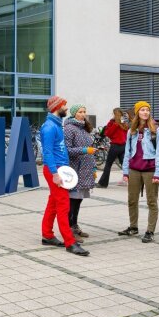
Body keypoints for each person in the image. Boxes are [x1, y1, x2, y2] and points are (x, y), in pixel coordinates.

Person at [40, 96, 89, 256]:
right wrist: (54, 173)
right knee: (63, 206)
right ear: (57, 107)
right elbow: (47, 152)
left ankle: (47, 235)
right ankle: (70, 242)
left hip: (60, 169)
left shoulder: (56, 124)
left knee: (53, 203)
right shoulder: (49, 127)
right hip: (56, 170)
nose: (66, 109)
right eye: (64, 106)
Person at [118, 101, 159, 243]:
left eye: (147, 110)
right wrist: (125, 172)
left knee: (151, 201)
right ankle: (133, 227)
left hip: (150, 170)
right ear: (137, 113)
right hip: (134, 169)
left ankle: (150, 231)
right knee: (131, 200)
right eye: (142, 110)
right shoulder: (132, 131)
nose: (145, 112)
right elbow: (127, 152)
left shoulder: (156, 131)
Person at [64, 104, 97, 241]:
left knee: (78, 200)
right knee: (72, 201)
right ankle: (69, 229)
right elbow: (67, 150)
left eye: (84, 111)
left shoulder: (84, 128)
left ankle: (75, 225)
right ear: (73, 114)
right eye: (80, 112)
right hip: (75, 170)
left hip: (86, 170)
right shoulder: (69, 129)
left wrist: (94, 168)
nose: (83, 114)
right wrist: (84, 150)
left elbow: (90, 149)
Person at [97, 108, 129, 188]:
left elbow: (108, 133)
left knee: (108, 165)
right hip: (123, 146)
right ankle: (134, 182)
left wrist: (114, 125)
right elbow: (127, 133)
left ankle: (103, 183)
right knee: (125, 165)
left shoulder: (112, 122)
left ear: (114, 114)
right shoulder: (124, 122)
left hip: (115, 146)